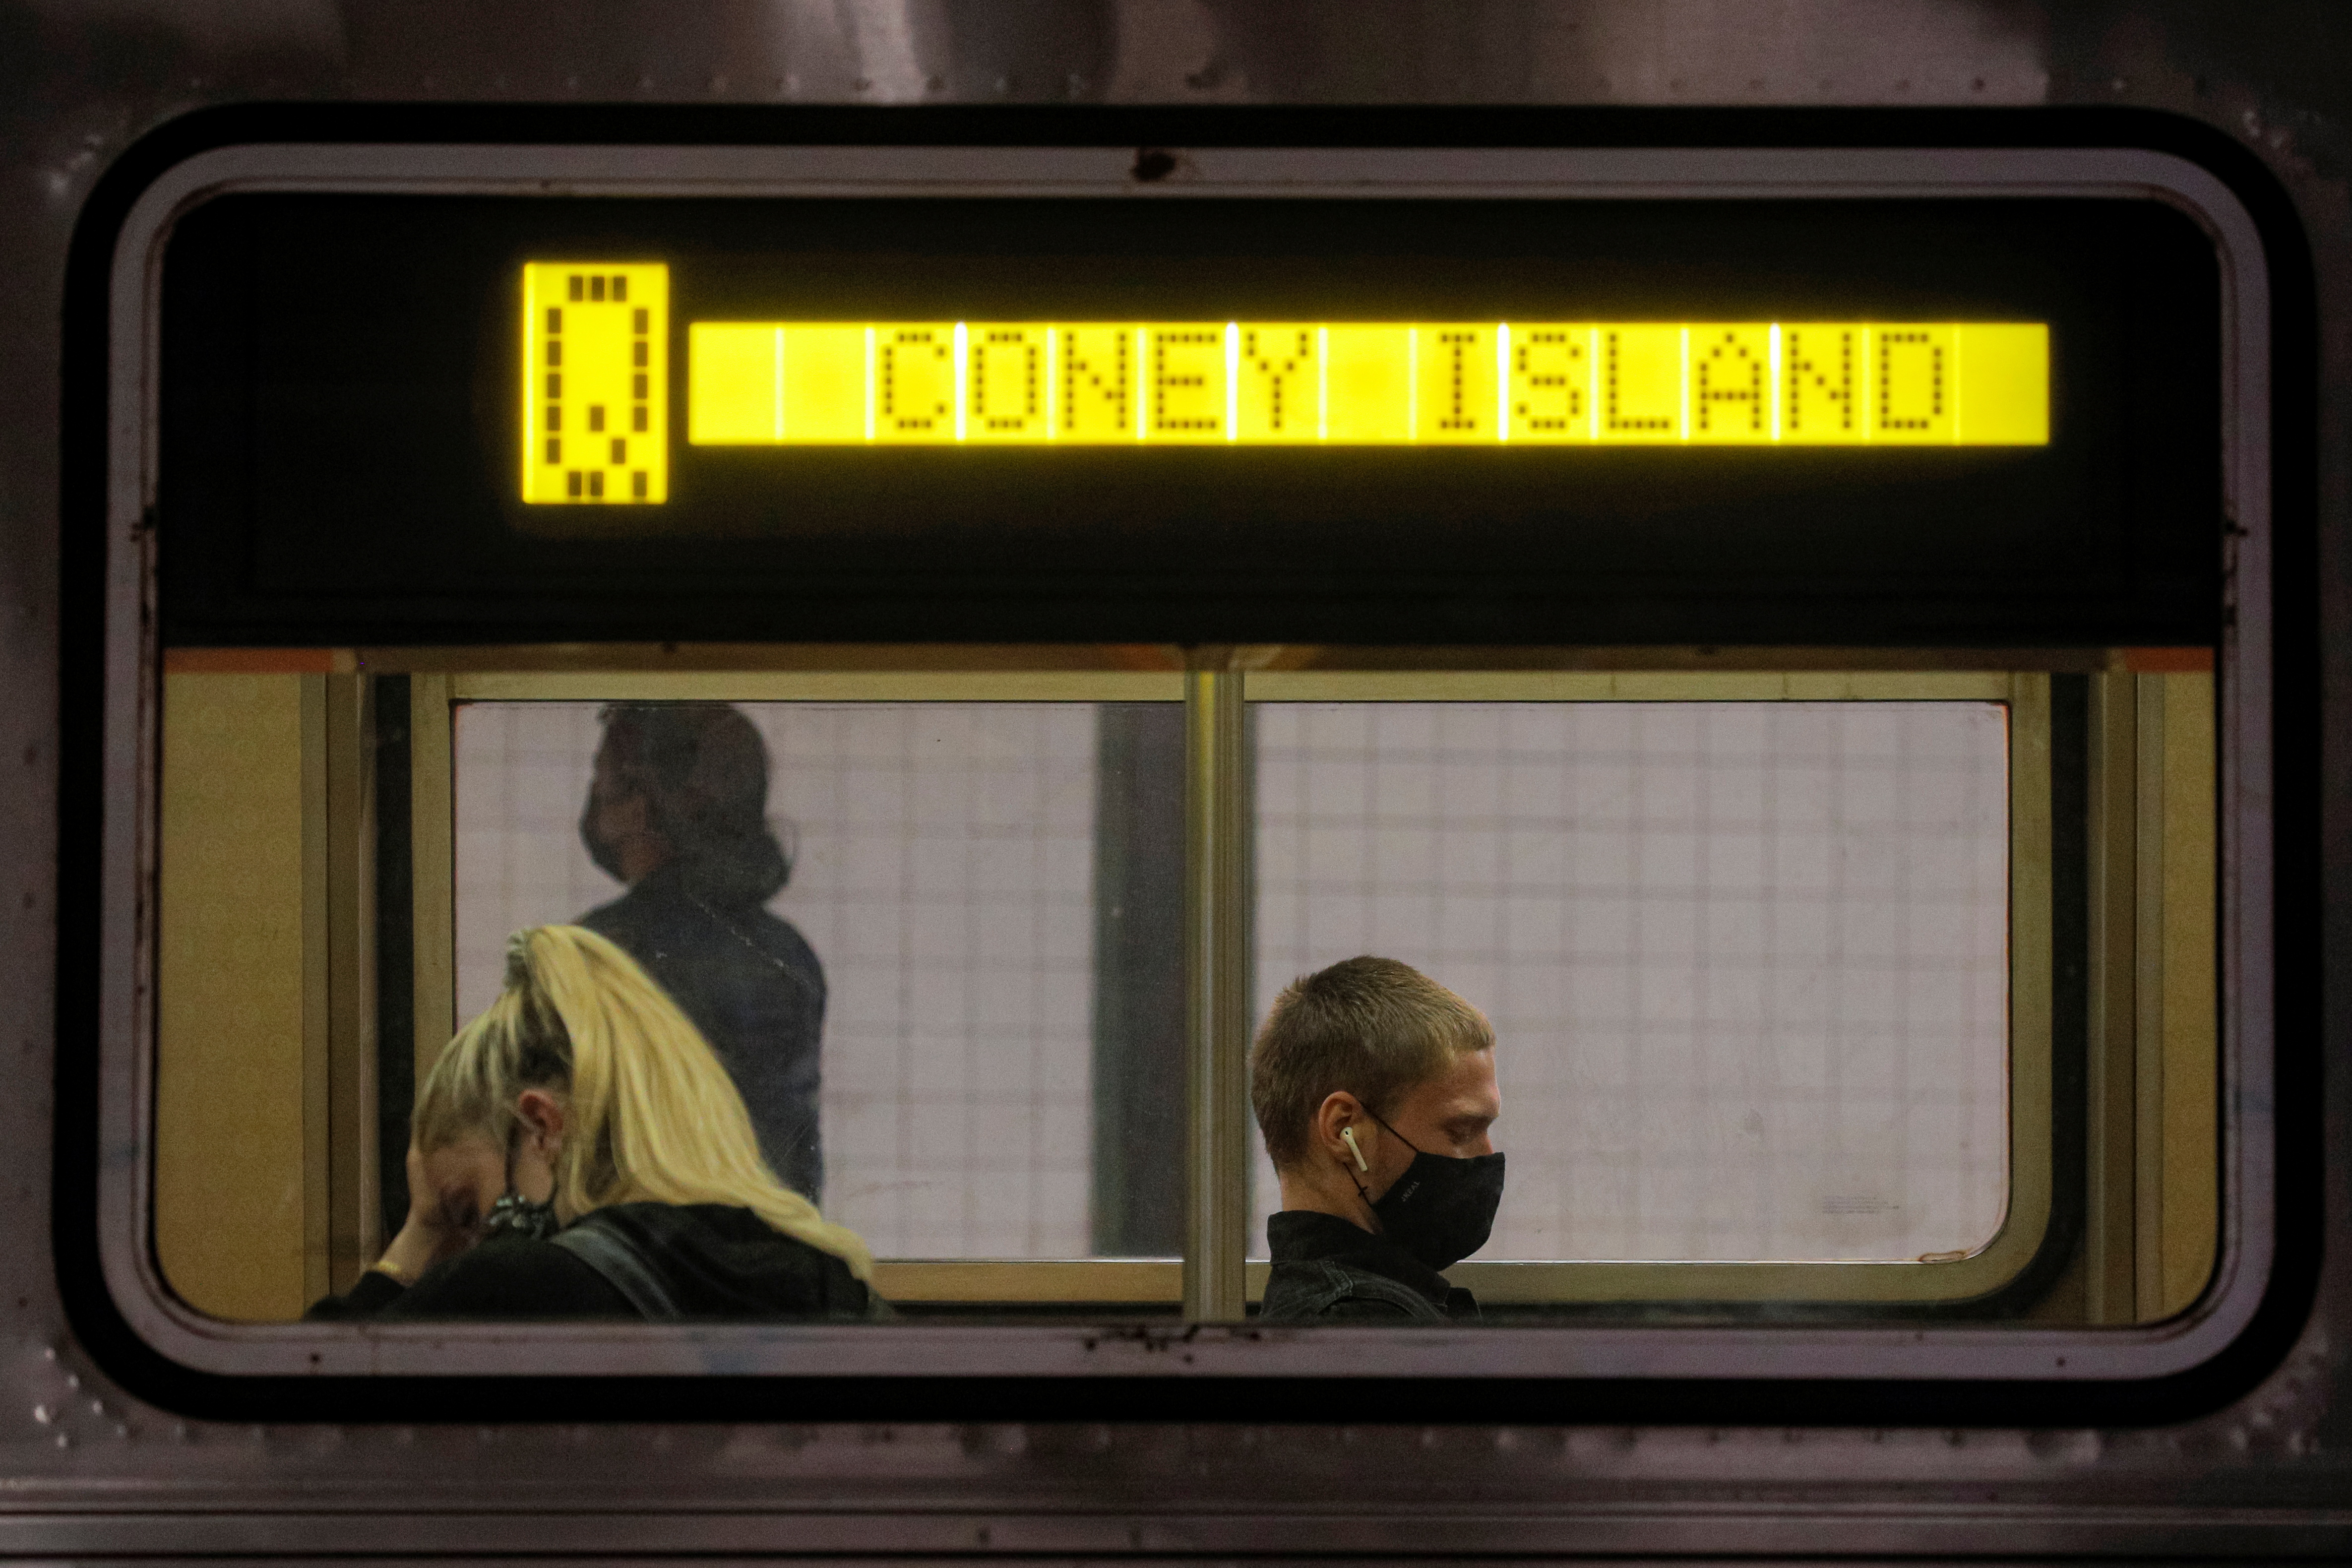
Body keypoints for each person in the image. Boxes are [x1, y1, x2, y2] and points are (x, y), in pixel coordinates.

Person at [309, 925, 883, 1321]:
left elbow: (289, 1425)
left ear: (540, 1127)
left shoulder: (513, 1289)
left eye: (465, 1210)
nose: (461, 1247)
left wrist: (416, 1237)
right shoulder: (830, 1284)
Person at [576, 702, 828, 1201]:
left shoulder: (597, 950)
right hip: (771, 1259)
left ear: (640, 806)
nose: (592, 798)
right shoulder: (789, 954)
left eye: (600, 778)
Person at [1249, 956, 1503, 1324]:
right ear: (1342, 1129)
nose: (1487, 1156)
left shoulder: (1358, 1307)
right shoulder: (1360, 1327)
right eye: (1460, 1131)